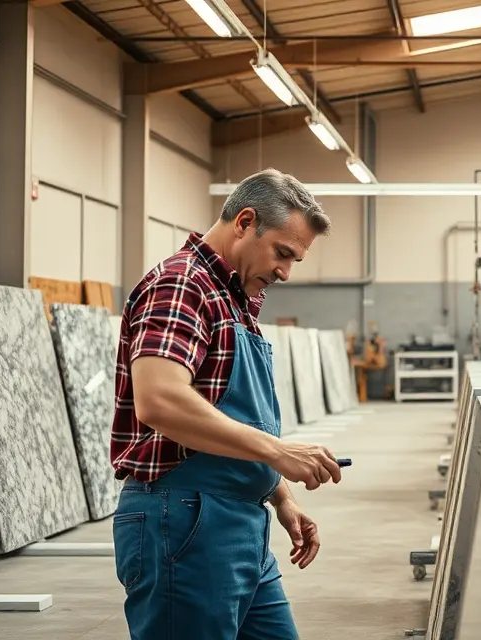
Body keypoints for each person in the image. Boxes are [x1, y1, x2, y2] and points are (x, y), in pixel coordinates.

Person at [110, 168, 343, 639]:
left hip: (240, 523)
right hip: (184, 520)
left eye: (295, 259)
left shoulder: (235, 300)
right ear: (244, 222)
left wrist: (280, 494)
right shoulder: (182, 285)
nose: (285, 272)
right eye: (282, 253)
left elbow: (230, 415)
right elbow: (159, 401)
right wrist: (277, 453)